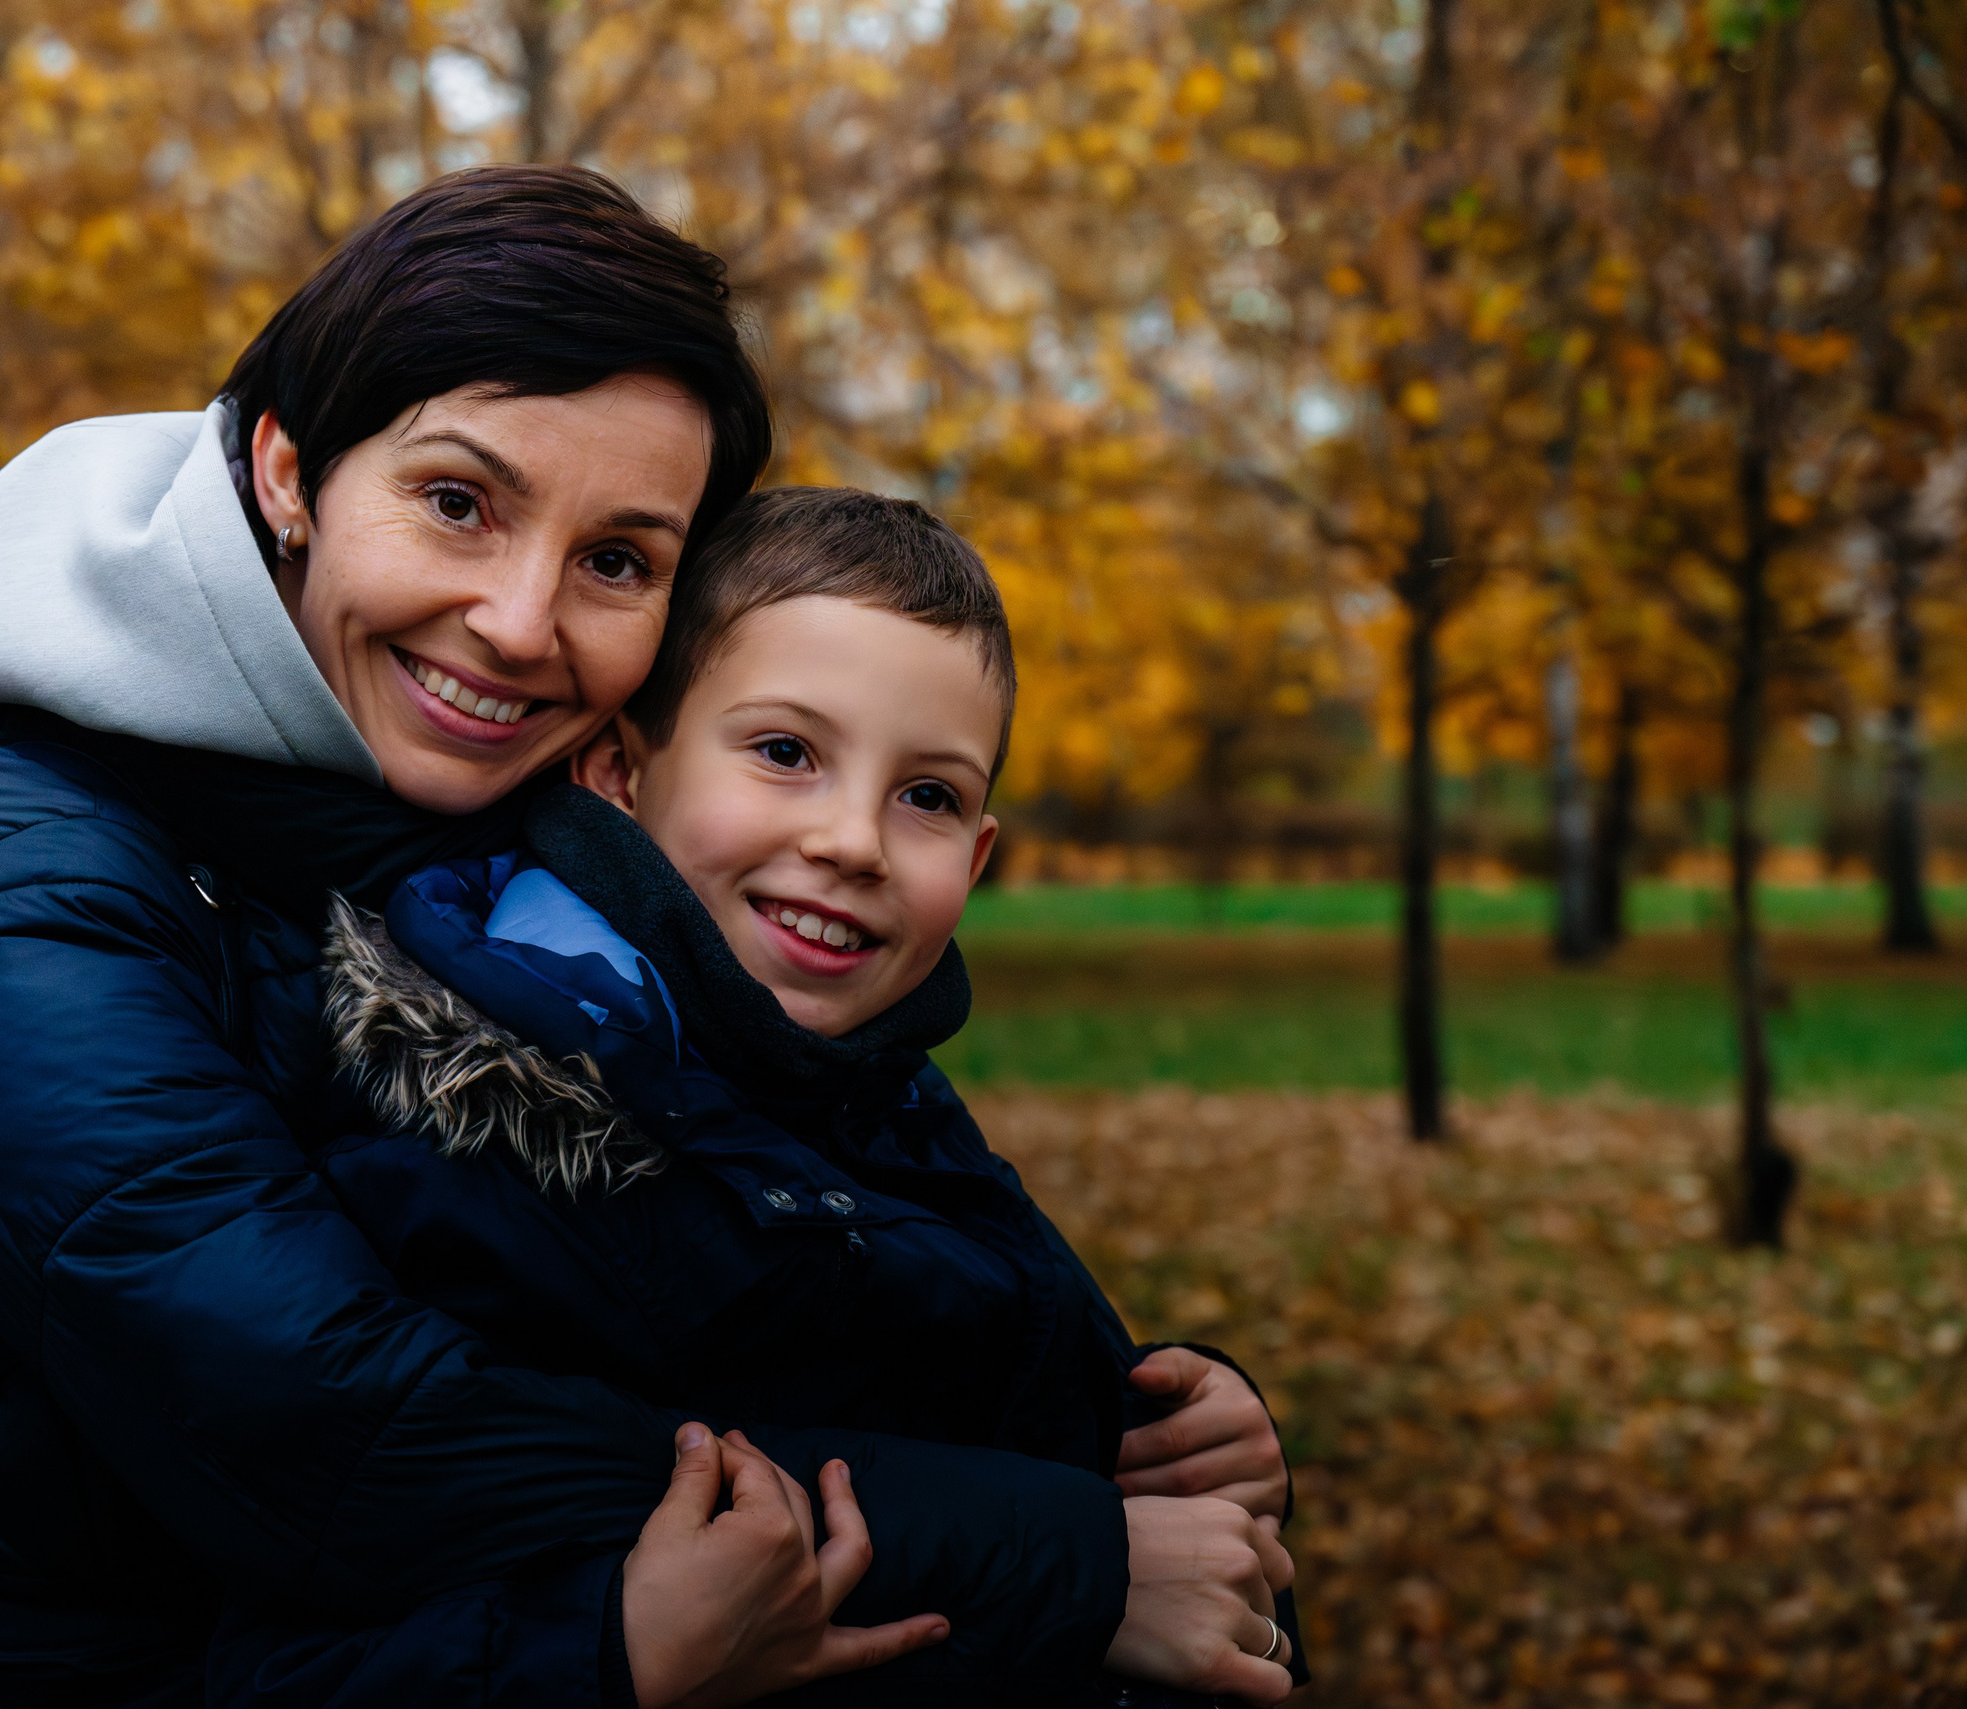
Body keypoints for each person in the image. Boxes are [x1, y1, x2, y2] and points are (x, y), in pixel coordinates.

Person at [0, 166, 1281, 1709]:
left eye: (618, 561)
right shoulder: (29, 873)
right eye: (459, 502)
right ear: (289, 471)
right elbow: (337, 1425)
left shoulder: (512, 819)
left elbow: (807, 1252)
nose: (522, 623)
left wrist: (1142, 1429)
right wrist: (1069, 1551)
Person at [213, 488, 1302, 1706]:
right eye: (785, 752)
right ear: (618, 769)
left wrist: (1184, 1431)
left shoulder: (877, 1096)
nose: (854, 840)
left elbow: (1037, 1424)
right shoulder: (477, 1140)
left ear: (980, 858)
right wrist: (1075, 1573)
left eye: (926, 796)